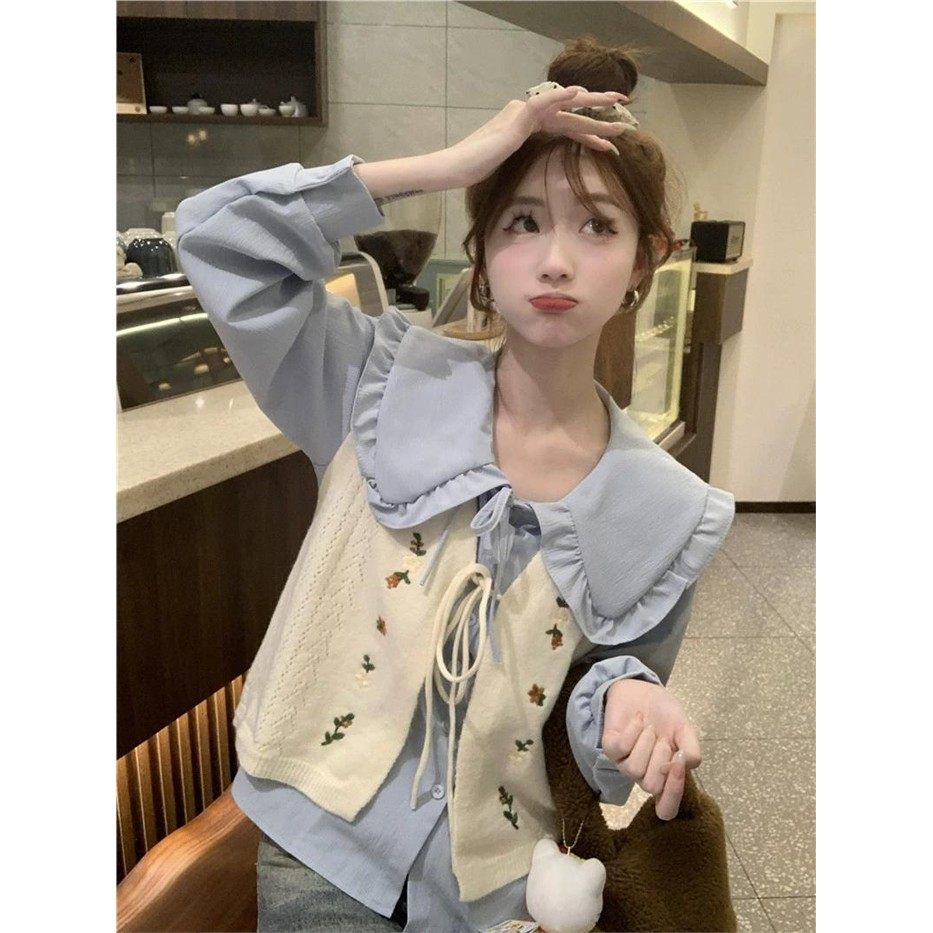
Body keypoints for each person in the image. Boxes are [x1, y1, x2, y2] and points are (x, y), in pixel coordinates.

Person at [175, 36, 734, 933]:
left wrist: (627, 701)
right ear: (480, 256)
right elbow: (214, 238)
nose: (555, 259)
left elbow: (589, 737)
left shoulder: (666, 510)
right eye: (521, 222)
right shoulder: (373, 384)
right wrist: (452, 163)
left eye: (598, 226)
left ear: (645, 260)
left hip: (498, 893)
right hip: (320, 856)